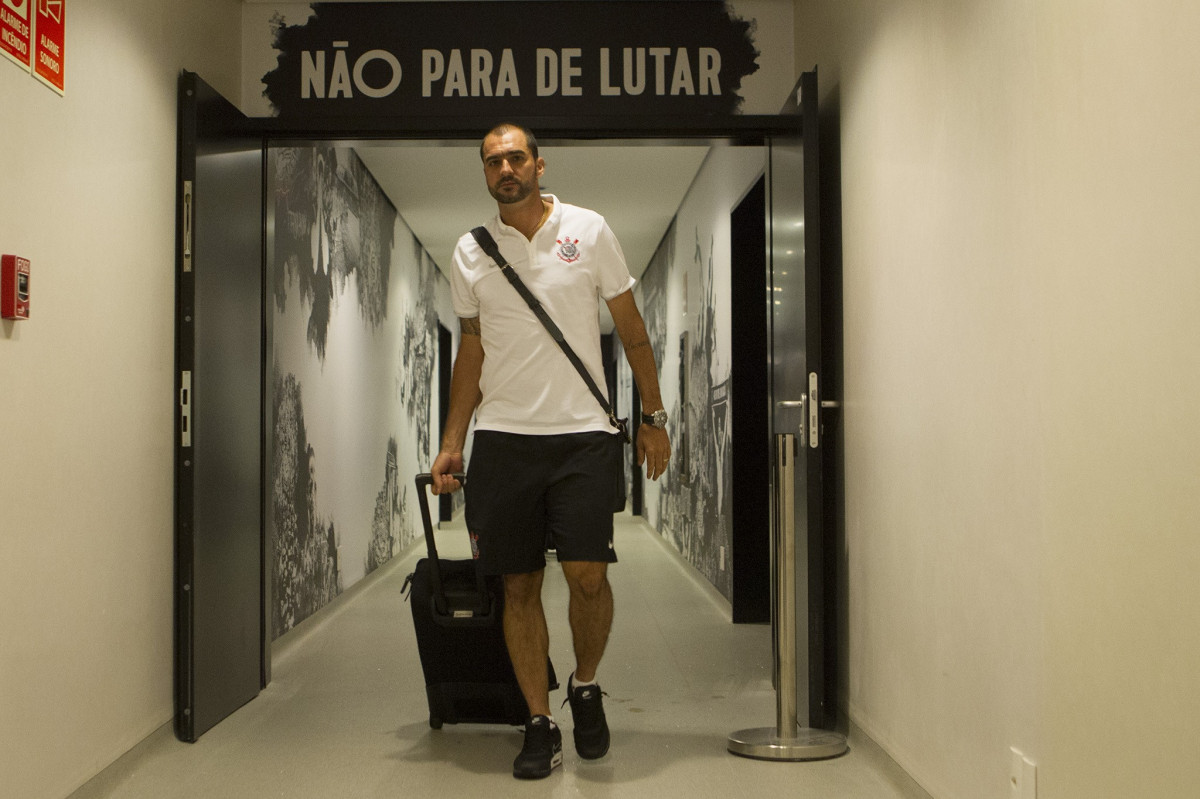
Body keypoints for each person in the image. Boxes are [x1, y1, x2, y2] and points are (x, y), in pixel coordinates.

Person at [430, 123, 671, 780]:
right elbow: (472, 349)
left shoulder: (588, 231)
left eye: (515, 156)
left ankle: (585, 684)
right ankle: (540, 719)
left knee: (589, 575)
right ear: (485, 174)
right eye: (493, 161)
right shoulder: (470, 252)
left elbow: (631, 328)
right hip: (505, 440)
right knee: (518, 584)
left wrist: (654, 415)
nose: (505, 168)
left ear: (539, 162)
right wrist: (454, 440)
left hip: (585, 436)